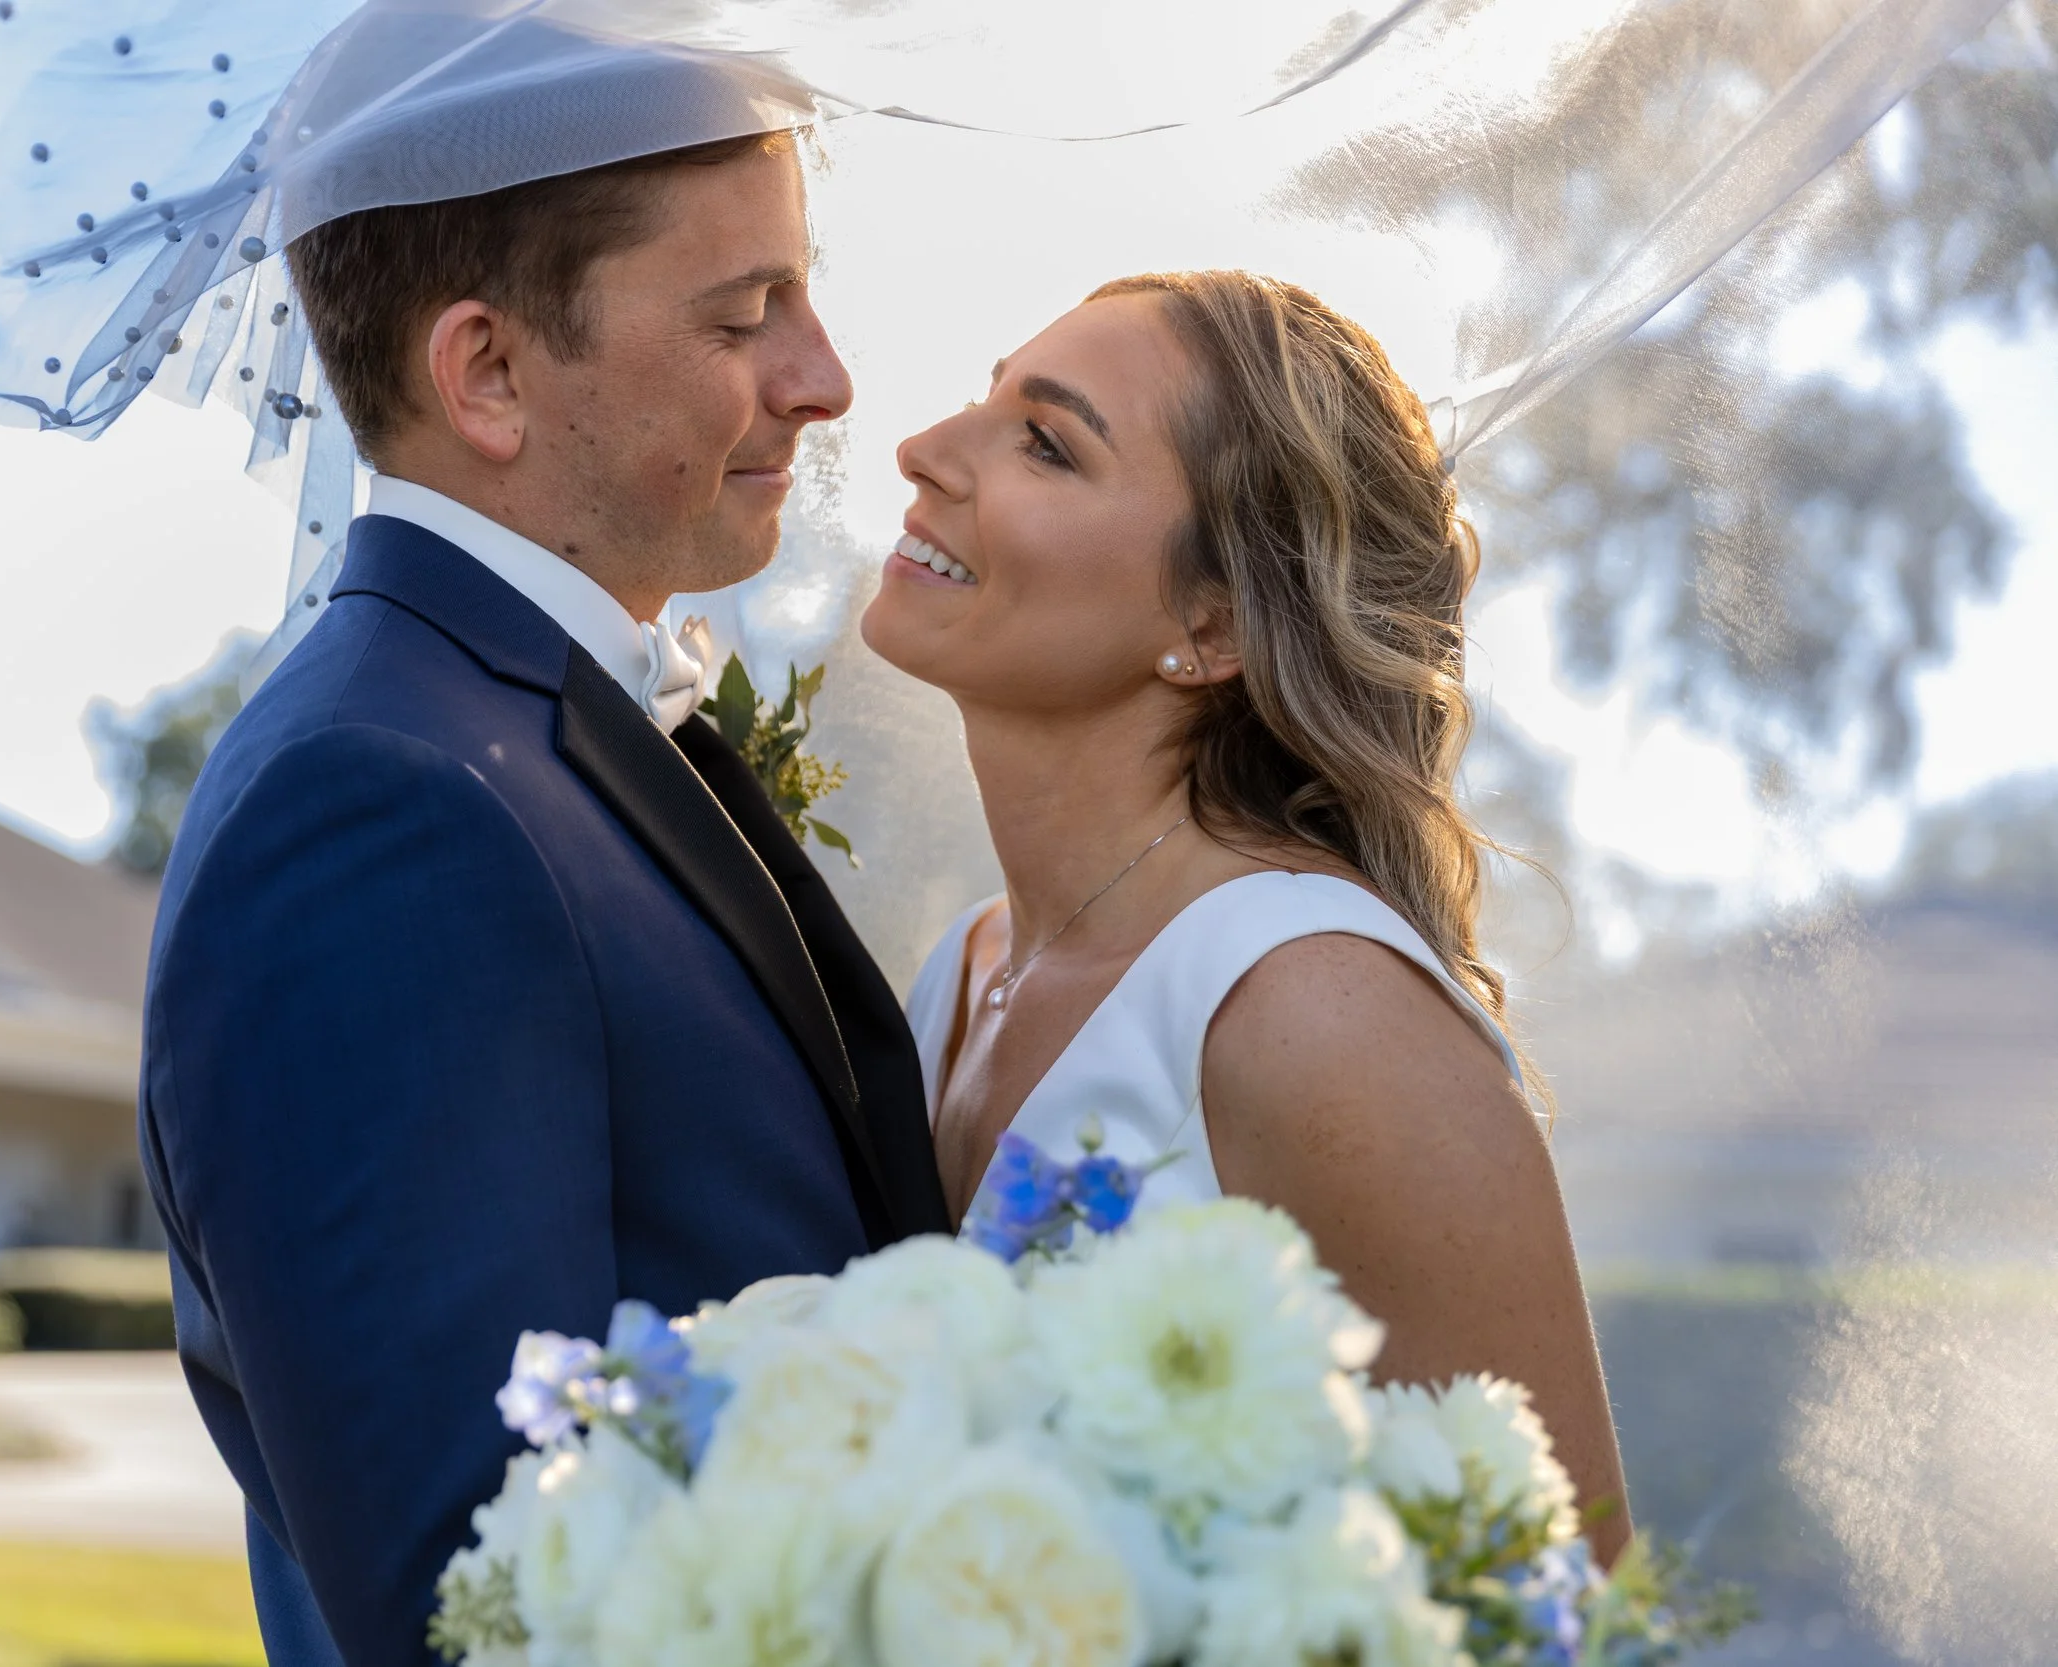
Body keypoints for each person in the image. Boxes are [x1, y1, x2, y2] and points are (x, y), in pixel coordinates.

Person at [141, 125, 951, 1666]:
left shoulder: (531, 725)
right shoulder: (379, 806)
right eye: (744, 313)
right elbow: (485, 1598)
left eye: (806, 294)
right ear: (488, 375)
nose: (825, 376)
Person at [867, 268, 1632, 1562]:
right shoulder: (962, 971)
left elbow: (1566, 1604)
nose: (925, 451)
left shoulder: (1315, 1011)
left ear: (1209, 621)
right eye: (982, 403)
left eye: (1045, 444)